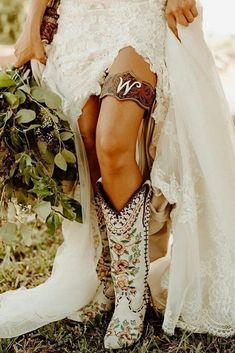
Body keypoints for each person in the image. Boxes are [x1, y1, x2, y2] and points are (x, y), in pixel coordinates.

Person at [0, 0, 234, 349]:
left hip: (137, 14)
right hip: (79, 18)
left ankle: (130, 294)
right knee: (89, 143)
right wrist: (33, 20)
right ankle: (108, 276)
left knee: (112, 141)